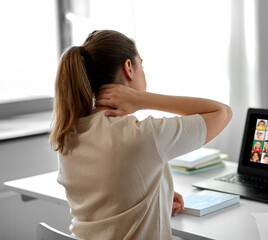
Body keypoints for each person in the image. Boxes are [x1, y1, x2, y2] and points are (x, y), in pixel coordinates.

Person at [50, 30, 232, 240]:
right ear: (129, 68)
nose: (143, 71)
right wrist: (143, 99)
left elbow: (108, 192)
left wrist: (158, 194)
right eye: (141, 65)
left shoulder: (68, 133)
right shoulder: (141, 135)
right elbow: (222, 112)